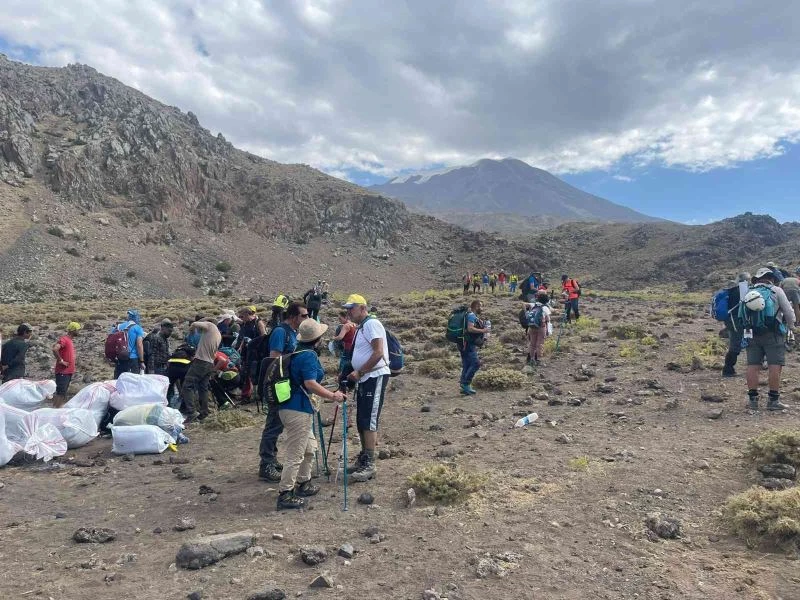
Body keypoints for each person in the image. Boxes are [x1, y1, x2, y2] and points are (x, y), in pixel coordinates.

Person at [276, 319, 345, 510]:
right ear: (317, 339)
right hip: (298, 409)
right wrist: (333, 396)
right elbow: (310, 384)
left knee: (308, 448)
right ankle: (285, 494)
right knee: (295, 453)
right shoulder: (308, 356)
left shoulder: (296, 352)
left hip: (292, 408)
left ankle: (303, 482)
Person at [259, 302, 309, 482]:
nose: (306, 319)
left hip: (288, 384)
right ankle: (266, 464)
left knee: (279, 424)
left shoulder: (293, 333)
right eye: (304, 315)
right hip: (278, 385)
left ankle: (272, 459)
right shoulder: (281, 332)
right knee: (273, 424)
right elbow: (274, 359)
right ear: (293, 316)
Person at [343, 293, 390, 483]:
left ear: (362, 308)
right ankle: (364, 458)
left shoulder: (371, 324)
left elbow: (378, 352)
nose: (348, 312)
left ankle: (370, 463)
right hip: (365, 377)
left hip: (373, 376)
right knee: (362, 418)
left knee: (369, 419)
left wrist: (360, 372)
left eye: (351, 308)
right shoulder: (363, 326)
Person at [744, 267, 795, 411]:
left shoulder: (749, 291)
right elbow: (788, 312)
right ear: (771, 278)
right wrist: (791, 326)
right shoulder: (777, 290)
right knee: (774, 365)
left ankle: (752, 401)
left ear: (757, 279)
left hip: (751, 333)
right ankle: (773, 400)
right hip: (773, 333)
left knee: (753, 365)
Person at [180, 318, 222, 422]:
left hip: (201, 362)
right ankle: (204, 412)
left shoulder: (210, 326)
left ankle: (191, 412)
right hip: (209, 363)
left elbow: (194, 323)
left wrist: (195, 325)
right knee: (203, 388)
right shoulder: (218, 334)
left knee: (187, 386)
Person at [722, 273, 750, 377]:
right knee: (735, 345)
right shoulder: (741, 291)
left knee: (737, 344)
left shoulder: (733, 290)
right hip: (736, 322)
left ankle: (730, 368)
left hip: (731, 321)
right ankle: (728, 369)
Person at [458, 299, 488, 395]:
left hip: (463, 343)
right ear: (476, 306)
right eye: (481, 306)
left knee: (467, 364)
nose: (482, 309)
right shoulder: (471, 316)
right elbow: (470, 329)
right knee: (476, 363)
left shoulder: (468, 315)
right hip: (468, 344)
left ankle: (464, 385)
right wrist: (483, 331)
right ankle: (466, 384)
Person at [52, 322, 81, 407]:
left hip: (67, 372)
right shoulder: (64, 339)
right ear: (73, 330)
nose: (79, 332)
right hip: (62, 371)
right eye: (78, 330)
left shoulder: (69, 340)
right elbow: (55, 349)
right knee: (60, 393)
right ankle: (55, 411)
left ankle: (59, 410)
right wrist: (61, 360)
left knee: (63, 393)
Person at [113, 309, 146, 378]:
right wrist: (142, 361)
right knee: (132, 382)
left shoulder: (119, 326)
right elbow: (139, 345)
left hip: (120, 358)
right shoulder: (138, 328)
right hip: (132, 359)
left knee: (119, 380)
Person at [523, 291, 552, 367]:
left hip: (532, 327)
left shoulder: (534, 305)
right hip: (541, 327)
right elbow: (548, 319)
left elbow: (524, 304)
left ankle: (532, 359)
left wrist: (526, 313)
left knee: (532, 344)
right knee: (540, 344)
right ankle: (539, 360)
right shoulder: (545, 307)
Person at [332, 309, 357, 390]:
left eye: (340, 318)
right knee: (350, 365)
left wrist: (334, 338)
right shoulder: (353, 324)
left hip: (347, 347)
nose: (339, 321)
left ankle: (341, 385)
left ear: (345, 317)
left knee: (343, 365)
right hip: (353, 348)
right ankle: (350, 384)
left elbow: (340, 337)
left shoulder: (346, 325)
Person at [166, 342, 195, 409]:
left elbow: (168, 362)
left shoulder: (177, 350)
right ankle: (185, 408)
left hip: (172, 369)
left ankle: (167, 405)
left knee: (169, 387)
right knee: (186, 388)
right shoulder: (191, 349)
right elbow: (193, 359)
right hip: (184, 369)